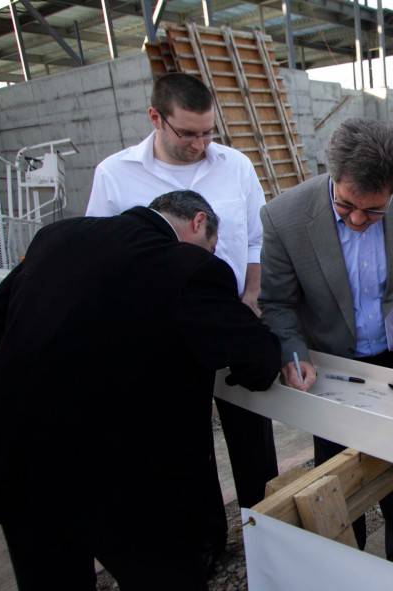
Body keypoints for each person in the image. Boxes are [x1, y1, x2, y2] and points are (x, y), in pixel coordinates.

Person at [0, 191, 281, 591]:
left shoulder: (56, 236)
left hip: (18, 461)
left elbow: (1, 314)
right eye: (212, 245)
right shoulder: (188, 265)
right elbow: (257, 357)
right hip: (125, 479)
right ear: (199, 223)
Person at [85, 73, 278, 542]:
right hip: (160, 339)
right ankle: (206, 539)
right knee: (184, 447)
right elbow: (99, 256)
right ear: (156, 118)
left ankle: (268, 532)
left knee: (253, 439)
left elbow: (254, 240)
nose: (200, 144)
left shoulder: (235, 165)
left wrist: (251, 297)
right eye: (188, 133)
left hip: (230, 321)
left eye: (208, 131)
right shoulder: (115, 174)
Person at [260, 117, 393, 568]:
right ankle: (351, 568)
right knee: (339, 478)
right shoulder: (284, 217)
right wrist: (293, 353)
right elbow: (277, 304)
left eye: (374, 211)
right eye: (346, 207)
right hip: (331, 367)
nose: (359, 221)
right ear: (331, 174)